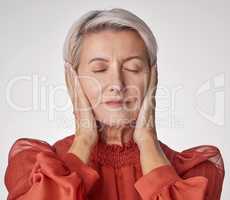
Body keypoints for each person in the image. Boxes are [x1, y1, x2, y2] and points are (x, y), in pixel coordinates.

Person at [4, 8, 225, 200]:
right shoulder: (33, 167)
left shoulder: (194, 173)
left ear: (153, 76)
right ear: (72, 79)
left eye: (133, 68)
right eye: (99, 69)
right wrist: (84, 139)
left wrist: (147, 139)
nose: (117, 84)